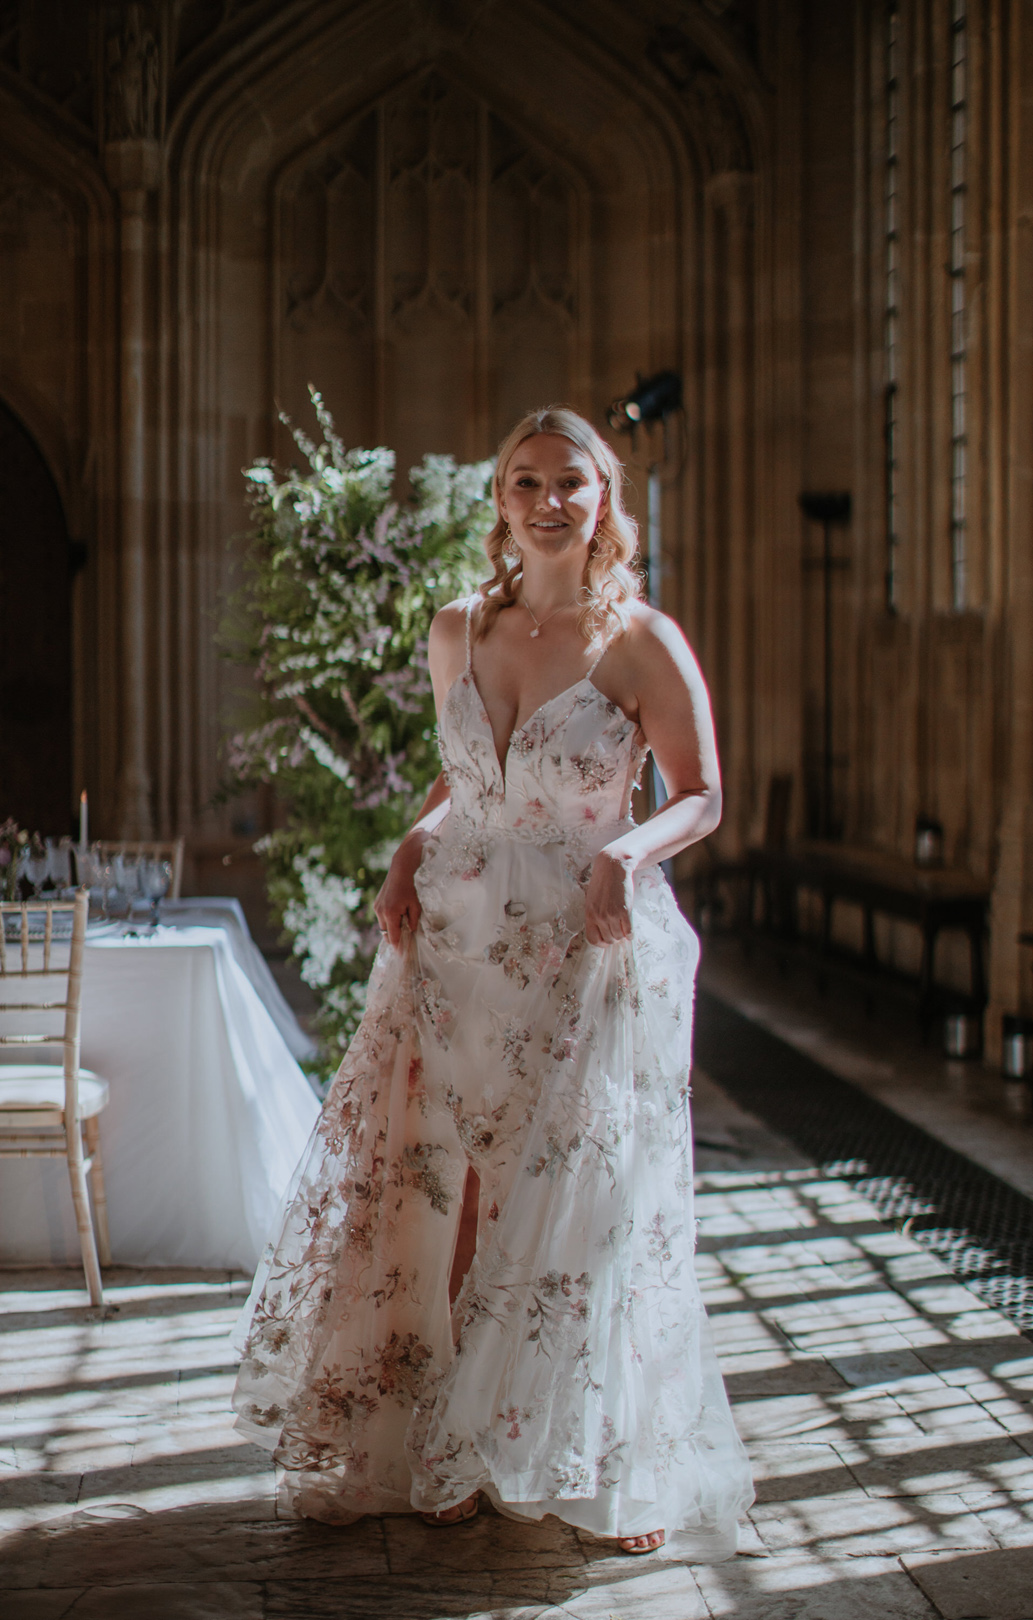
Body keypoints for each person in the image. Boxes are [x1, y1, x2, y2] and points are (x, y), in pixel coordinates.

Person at [233, 406, 754, 1556]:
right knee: (449, 1188)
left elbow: (702, 793)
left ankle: (604, 1462)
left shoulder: (640, 642)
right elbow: (466, 776)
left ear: (603, 498)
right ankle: (454, 1446)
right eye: (526, 482)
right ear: (501, 503)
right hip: (458, 941)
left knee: (579, 1193)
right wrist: (413, 844)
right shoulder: (456, 629)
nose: (548, 500)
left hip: (581, 942)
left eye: (570, 481)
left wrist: (626, 848)